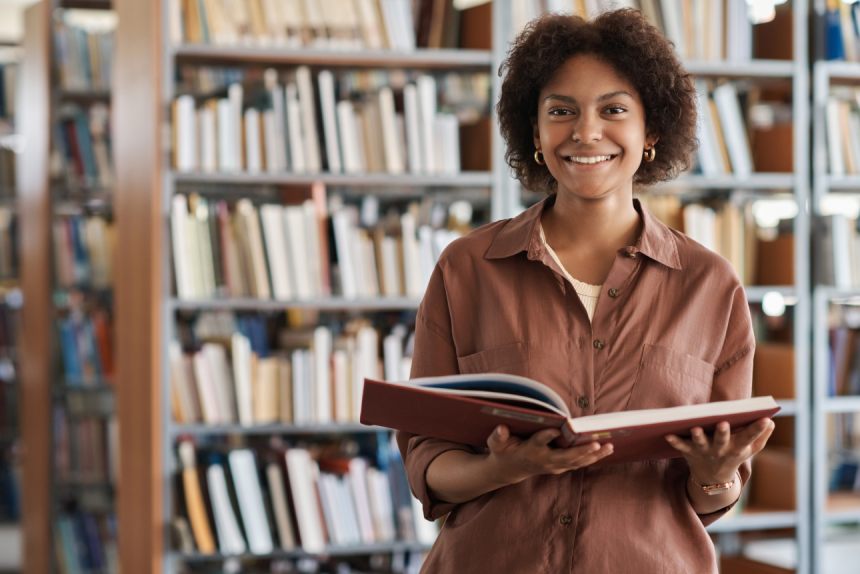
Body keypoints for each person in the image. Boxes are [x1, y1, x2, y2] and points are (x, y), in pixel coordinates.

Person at [394, 8, 776, 574]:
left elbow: (711, 499)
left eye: (613, 110)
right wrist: (505, 468)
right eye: (561, 111)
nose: (586, 132)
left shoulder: (711, 286)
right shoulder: (466, 269)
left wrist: (717, 471)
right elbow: (426, 459)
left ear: (650, 131)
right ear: (535, 130)